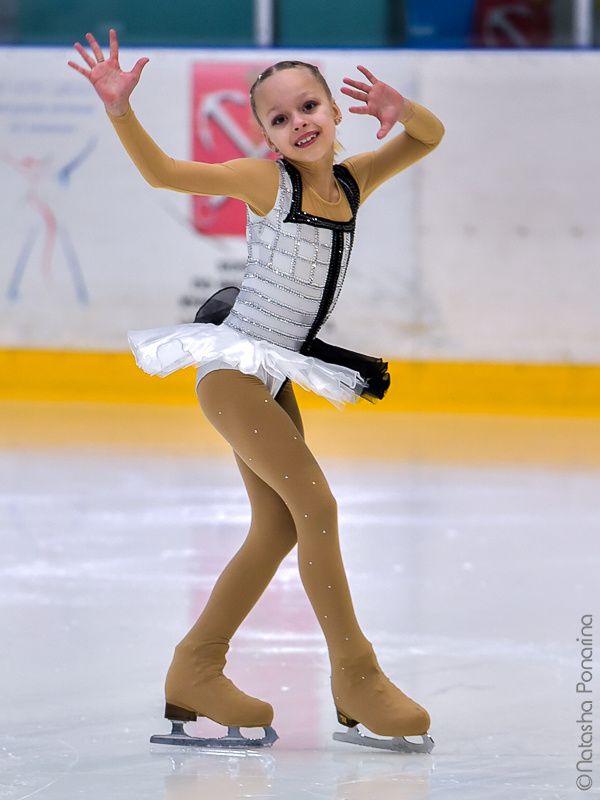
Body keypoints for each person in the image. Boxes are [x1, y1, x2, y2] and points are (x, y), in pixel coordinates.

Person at [69, 30, 444, 750]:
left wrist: (404, 108)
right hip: (236, 371)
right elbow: (165, 173)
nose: (299, 122)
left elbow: (428, 137)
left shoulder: (356, 180)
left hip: (278, 373)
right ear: (266, 135)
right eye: (280, 117)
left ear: (335, 111)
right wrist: (120, 109)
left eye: (309, 105)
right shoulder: (267, 181)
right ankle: (356, 677)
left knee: (277, 528)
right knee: (317, 505)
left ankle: (194, 670)